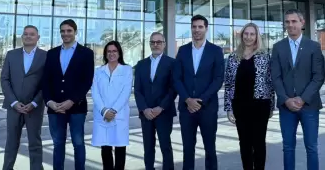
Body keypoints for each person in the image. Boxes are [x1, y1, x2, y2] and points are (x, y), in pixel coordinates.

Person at [271, 9, 325, 170]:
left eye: (294, 21)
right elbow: (276, 77)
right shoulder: (278, 47)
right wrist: (286, 99)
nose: (290, 25)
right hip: (286, 107)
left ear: (302, 23)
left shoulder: (313, 47)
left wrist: (302, 99)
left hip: (309, 106)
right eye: (287, 22)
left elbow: (318, 77)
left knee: (312, 148)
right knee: (288, 148)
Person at [174, 14, 225, 170]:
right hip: (186, 108)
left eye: (200, 27)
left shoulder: (216, 51)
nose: (197, 30)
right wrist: (187, 99)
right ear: (191, 28)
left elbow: (218, 79)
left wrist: (201, 100)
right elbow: (176, 78)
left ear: (206, 29)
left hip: (207, 108)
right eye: (194, 27)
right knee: (188, 149)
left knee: (210, 148)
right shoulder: (182, 51)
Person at [42, 19, 94, 170]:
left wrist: (72, 100)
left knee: (78, 143)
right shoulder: (52, 53)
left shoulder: (86, 53)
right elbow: (46, 80)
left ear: (75, 32)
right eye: (63, 31)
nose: (66, 34)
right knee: (58, 143)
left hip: (77, 107)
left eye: (69, 31)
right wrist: (49, 102)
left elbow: (87, 80)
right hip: (55, 107)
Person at [224, 23, 275, 170]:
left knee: (258, 143)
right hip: (240, 106)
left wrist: (271, 106)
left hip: (260, 105)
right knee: (244, 143)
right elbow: (228, 84)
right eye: (246, 34)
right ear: (242, 36)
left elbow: (270, 82)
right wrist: (228, 108)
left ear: (256, 36)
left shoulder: (264, 56)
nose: (248, 37)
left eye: (252, 34)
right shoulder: (233, 57)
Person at [1, 25, 47, 170]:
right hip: (14, 107)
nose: (28, 36)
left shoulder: (45, 56)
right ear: (22, 37)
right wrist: (13, 102)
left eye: (32, 34)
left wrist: (34, 102)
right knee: (11, 142)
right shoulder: (11, 55)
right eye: (25, 34)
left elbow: (47, 82)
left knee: (35, 142)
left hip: (34, 107)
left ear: (38, 38)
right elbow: (4, 79)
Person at [134, 32, 176, 170]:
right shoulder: (141, 64)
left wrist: (161, 107)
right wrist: (144, 109)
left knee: (165, 147)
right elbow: (138, 90)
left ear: (164, 44)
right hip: (146, 114)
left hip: (164, 112)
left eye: (159, 42)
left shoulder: (172, 63)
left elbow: (173, 89)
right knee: (148, 147)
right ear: (150, 44)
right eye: (153, 42)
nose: (156, 44)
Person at [91, 40, 133, 170]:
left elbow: (126, 92)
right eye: (109, 51)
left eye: (114, 51)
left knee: (120, 148)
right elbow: (95, 92)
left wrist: (113, 111)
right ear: (105, 54)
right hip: (102, 115)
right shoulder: (98, 71)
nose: (111, 54)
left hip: (118, 115)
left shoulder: (127, 70)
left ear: (119, 53)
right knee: (105, 148)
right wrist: (104, 111)